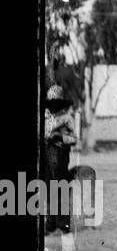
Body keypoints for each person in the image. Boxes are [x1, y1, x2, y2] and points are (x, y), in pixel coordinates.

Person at [42, 85, 76, 233]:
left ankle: (63, 222)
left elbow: (74, 139)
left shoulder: (67, 119)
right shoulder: (45, 119)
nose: (54, 106)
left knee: (61, 186)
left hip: (61, 154)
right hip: (47, 155)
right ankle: (50, 222)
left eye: (56, 103)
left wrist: (61, 137)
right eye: (51, 103)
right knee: (48, 188)